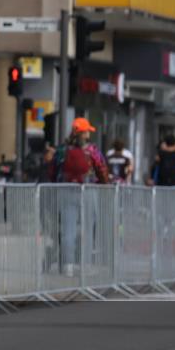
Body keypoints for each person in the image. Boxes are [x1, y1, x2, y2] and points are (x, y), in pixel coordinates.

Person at [48, 118, 109, 277]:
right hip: (88, 192)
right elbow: (102, 169)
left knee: (68, 230)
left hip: (66, 192)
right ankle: (85, 266)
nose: (89, 133)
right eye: (88, 130)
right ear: (84, 133)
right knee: (88, 229)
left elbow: (53, 171)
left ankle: (67, 266)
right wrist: (105, 183)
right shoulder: (92, 150)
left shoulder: (62, 150)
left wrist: (55, 186)